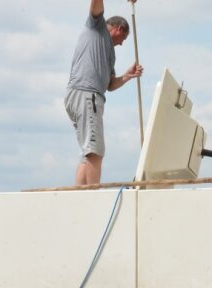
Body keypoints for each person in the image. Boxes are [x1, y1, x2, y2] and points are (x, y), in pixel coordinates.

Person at [65, 0, 144, 186]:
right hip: (86, 94)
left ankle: (80, 196)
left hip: (83, 95)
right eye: (123, 38)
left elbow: (109, 85)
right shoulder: (96, 28)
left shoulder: (110, 53)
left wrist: (127, 76)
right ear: (117, 28)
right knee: (95, 152)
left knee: (87, 154)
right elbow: (96, 5)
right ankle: (93, 198)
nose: (123, 44)